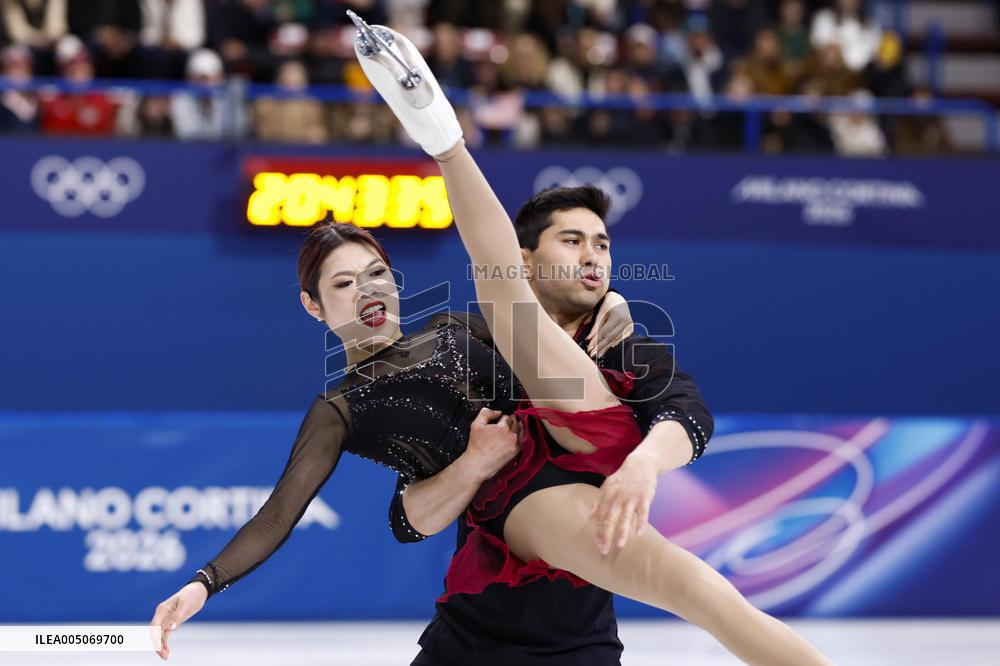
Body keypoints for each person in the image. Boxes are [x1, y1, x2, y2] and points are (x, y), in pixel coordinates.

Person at [150, 18, 834, 666]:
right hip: (524, 500)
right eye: (344, 284)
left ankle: (444, 138)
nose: (370, 290)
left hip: (583, 423)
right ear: (313, 306)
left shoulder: (455, 330)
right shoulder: (340, 407)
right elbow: (282, 513)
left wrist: (600, 316)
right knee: (697, 592)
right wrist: (203, 585)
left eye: (378, 273)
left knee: (501, 290)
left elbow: (534, 313)